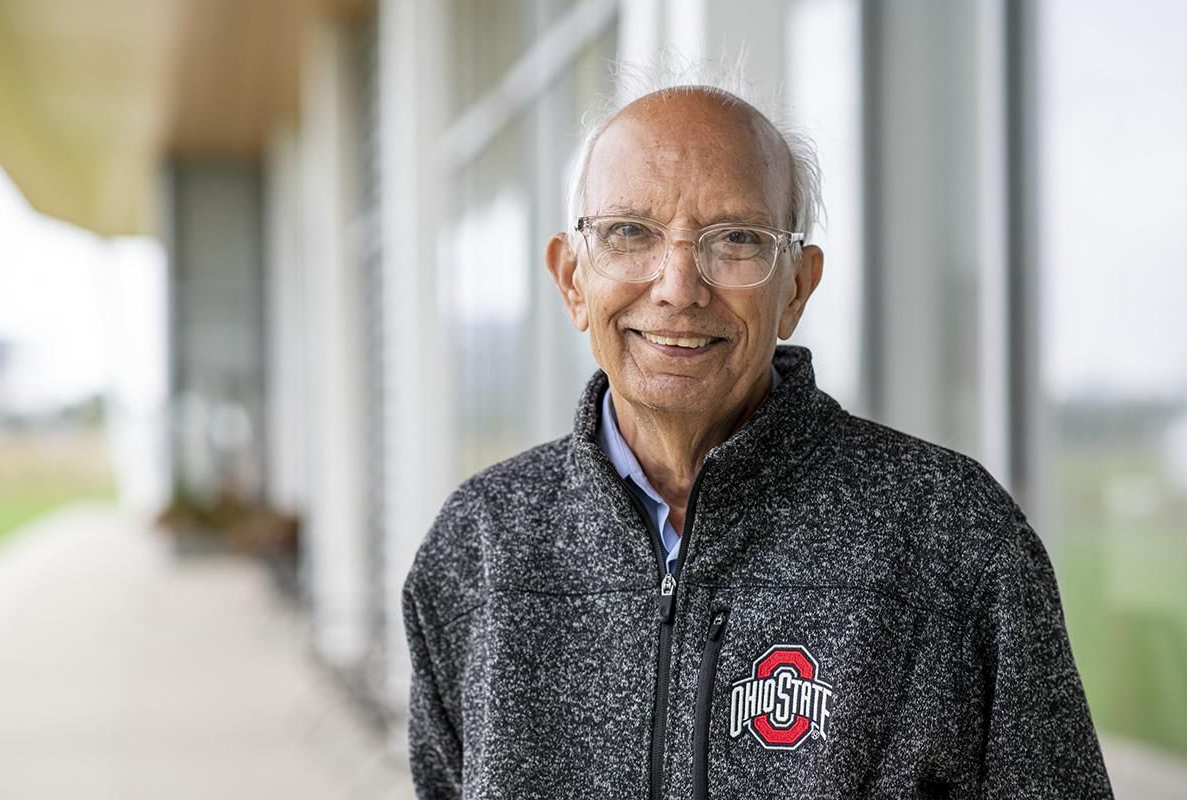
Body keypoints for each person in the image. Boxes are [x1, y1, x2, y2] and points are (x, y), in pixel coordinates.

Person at [402, 78, 1113, 799]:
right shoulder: (479, 547)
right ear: (572, 280)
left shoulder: (951, 536)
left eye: (736, 240)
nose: (679, 286)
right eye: (629, 233)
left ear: (797, 290)